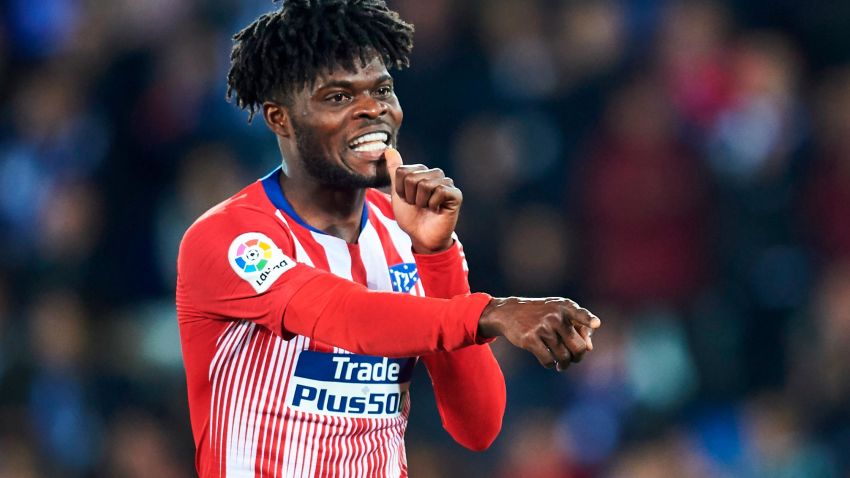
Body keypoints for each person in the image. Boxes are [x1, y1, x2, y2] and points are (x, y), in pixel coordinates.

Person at [176, 1, 601, 476]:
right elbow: (343, 315)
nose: (372, 110)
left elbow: (477, 427)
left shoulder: (405, 232)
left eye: (382, 89)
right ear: (280, 118)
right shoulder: (232, 237)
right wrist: (494, 312)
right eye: (338, 97)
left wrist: (436, 256)